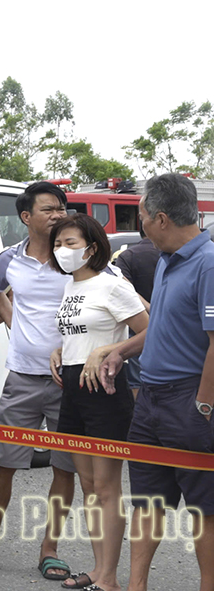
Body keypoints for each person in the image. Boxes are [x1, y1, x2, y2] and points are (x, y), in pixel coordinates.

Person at [98, 173, 214, 591]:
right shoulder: (166, 259)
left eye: (143, 214)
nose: (141, 222)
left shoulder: (208, 263)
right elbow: (162, 325)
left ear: (161, 218)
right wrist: (121, 352)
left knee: (205, 508)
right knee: (148, 502)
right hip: (150, 400)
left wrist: (203, 405)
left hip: (189, 400)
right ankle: (136, 586)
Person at [0, 181, 77, 580]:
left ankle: (49, 550)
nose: (58, 214)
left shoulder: (81, 256)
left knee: (64, 469)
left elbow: (119, 295)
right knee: (3, 463)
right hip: (22, 379)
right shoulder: (8, 259)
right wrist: (17, 326)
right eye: (48, 209)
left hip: (70, 381)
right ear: (26, 217)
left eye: (61, 207)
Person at [47, 213, 148, 591]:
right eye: (58, 244)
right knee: (89, 487)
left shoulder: (112, 284)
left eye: (70, 243)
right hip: (72, 391)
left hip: (104, 392)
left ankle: (109, 578)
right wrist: (60, 351)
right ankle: (98, 568)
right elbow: (81, 333)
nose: (62, 250)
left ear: (92, 247)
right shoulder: (71, 287)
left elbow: (149, 330)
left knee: (106, 489)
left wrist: (112, 349)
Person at [113, 228, 161, 399]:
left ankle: (139, 414)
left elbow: (125, 290)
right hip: (170, 330)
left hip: (137, 328)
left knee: (136, 381)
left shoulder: (128, 256)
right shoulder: (173, 254)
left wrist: (149, 309)